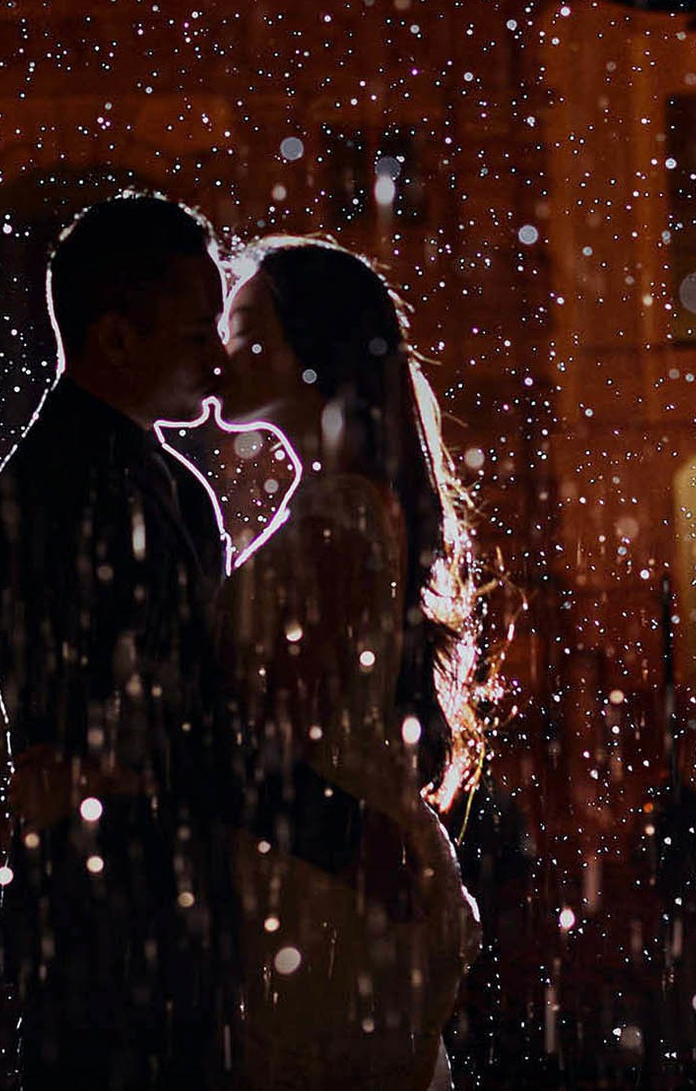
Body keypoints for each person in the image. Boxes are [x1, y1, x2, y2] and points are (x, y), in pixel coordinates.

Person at [0, 196, 389, 1088]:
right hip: (109, 929)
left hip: (189, 913)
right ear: (117, 339)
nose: (218, 357)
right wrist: (341, 830)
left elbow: (190, 706)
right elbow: (150, 726)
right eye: (199, 331)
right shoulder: (50, 493)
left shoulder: (178, 485)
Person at [216, 237, 487, 1091]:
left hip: (330, 883)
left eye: (246, 334)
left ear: (314, 353)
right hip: (331, 865)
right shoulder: (339, 504)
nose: (222, 356)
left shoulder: (334, 520)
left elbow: (266, 730)